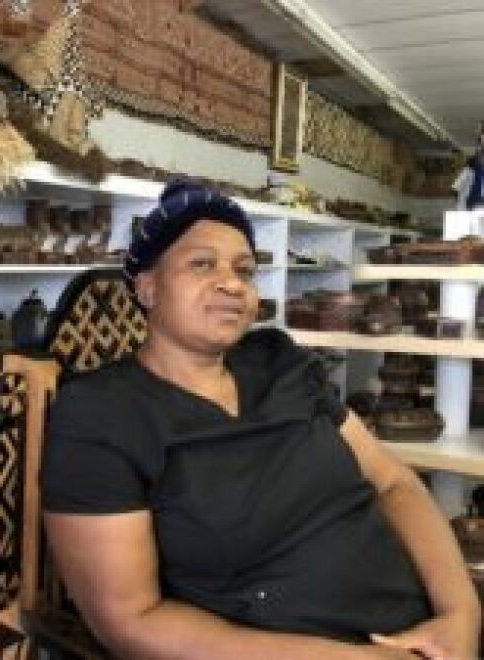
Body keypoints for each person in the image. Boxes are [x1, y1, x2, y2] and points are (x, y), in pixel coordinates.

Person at [40, 179, 480, 660]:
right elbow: (129, 622)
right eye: (202, 264)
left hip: (425, 631)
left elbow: (393, 481)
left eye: (245, 270)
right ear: (147, 287)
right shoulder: (100, 414)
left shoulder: (277, 360)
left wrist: (460, 616)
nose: (232, 283)